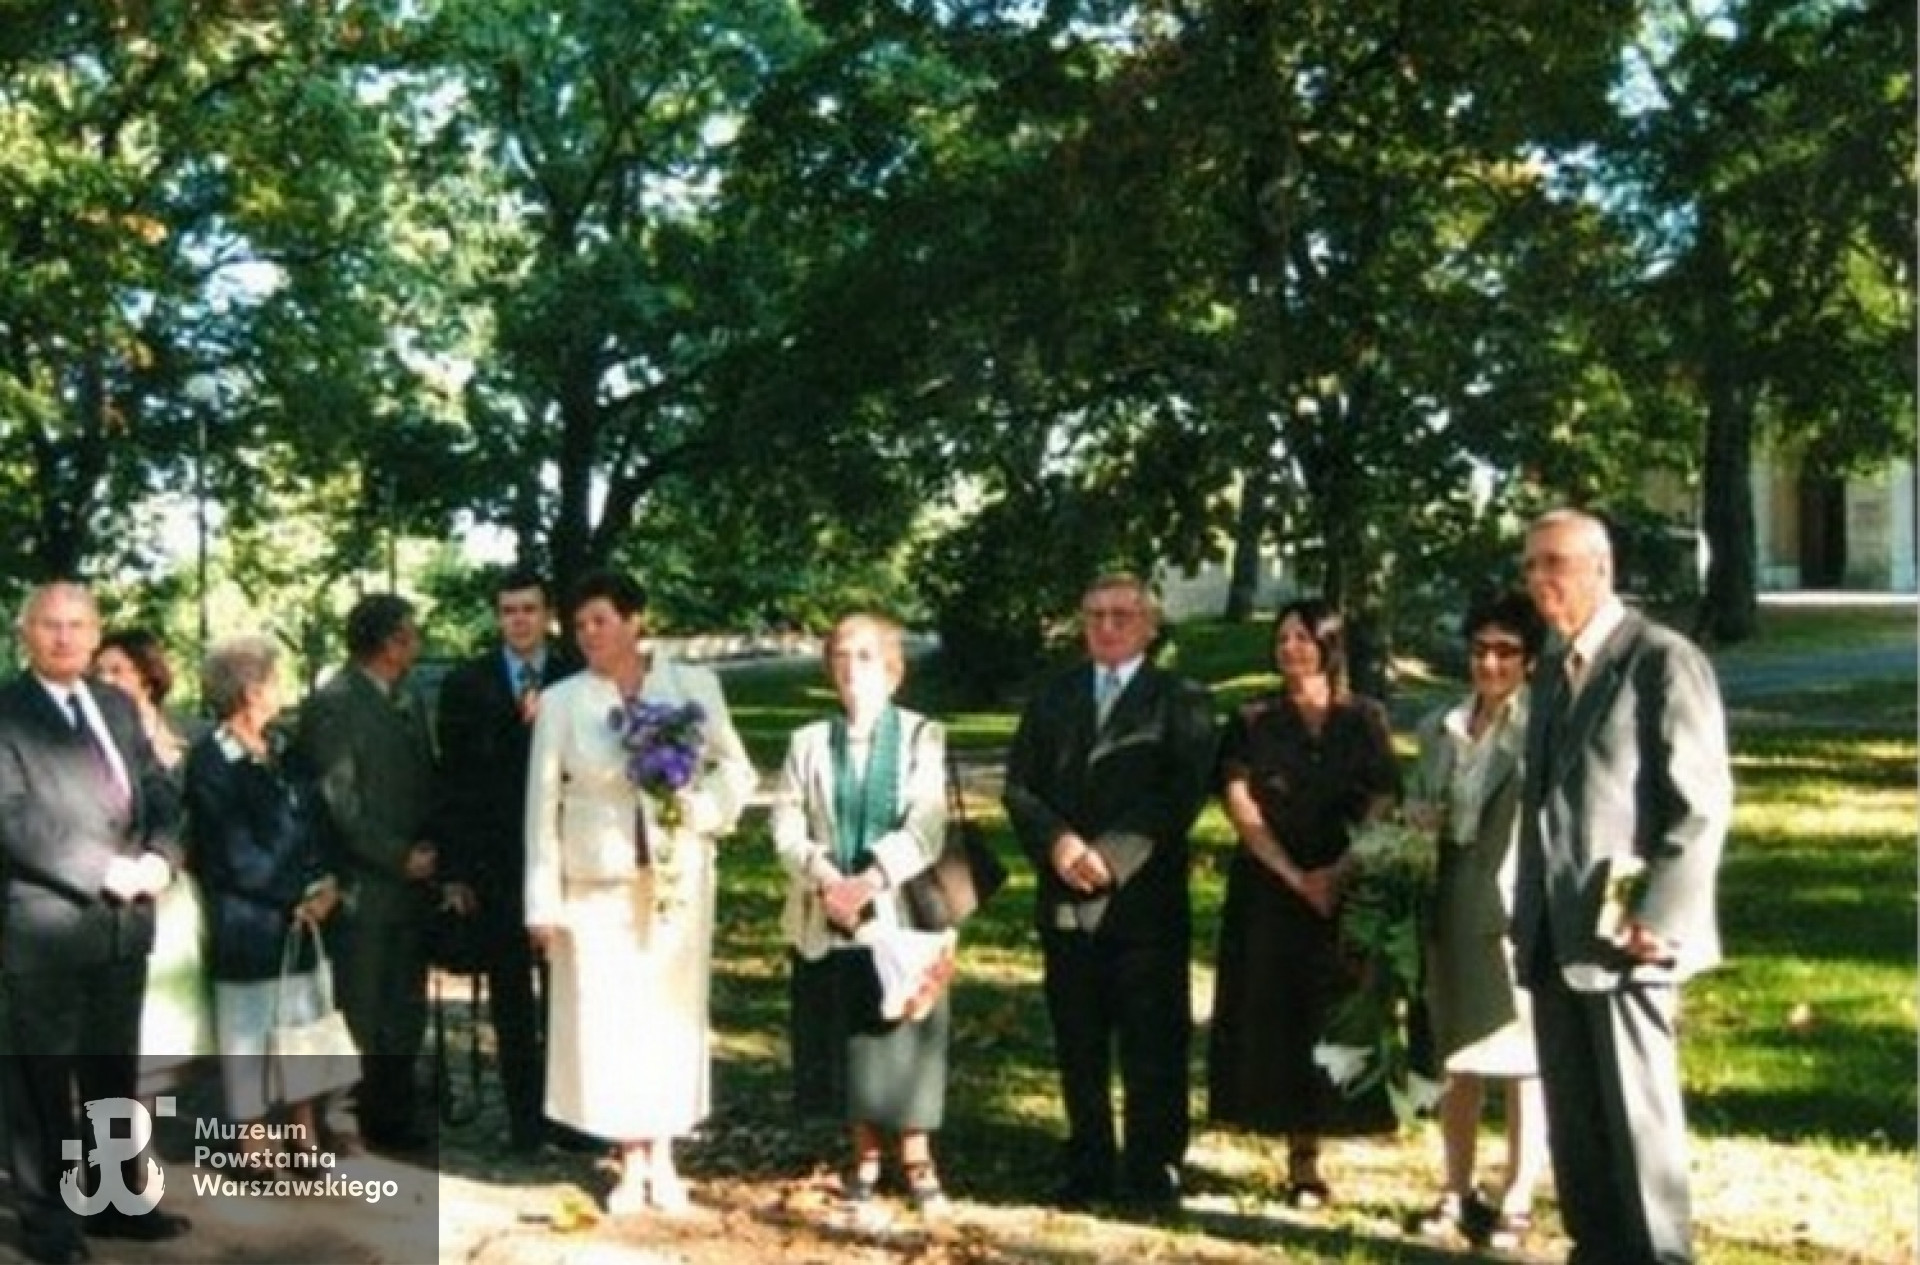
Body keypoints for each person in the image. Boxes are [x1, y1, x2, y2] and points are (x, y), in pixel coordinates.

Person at [1514, 508, 1731, 1265]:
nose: (1538, 580)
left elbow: (1701, 803)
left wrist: (1660, 914)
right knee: (1576, 1123)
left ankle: (1658, 1254)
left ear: (1601, 568)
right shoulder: (1550, 668)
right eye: (1530, 565)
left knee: (1637, 1117)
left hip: (1631, 936)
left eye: (1553, 563)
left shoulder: (1663, 660)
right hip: (1555, 932)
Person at [524, 570, 756, 1215]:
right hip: (595, 883)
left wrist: (701, 809)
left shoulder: (692, 686)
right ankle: (628, 1158)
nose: (588, 634)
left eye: (600, 620)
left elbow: (736, 770)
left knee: (669, 1014)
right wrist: (541, 902)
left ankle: (664, 1154)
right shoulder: (563, 701)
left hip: (676, 878)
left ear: (634, 621)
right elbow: (541, 806)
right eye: (579, 625)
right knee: (610, 1018)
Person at [1002, 574, 1216, 1213]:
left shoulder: (1181, 699)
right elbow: (1019, 786)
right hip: (1066, 893)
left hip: (1145, 899)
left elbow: (1182, 790)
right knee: (1079, 1039)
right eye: (1095, 614)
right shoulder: (1053, 695)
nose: (1107, 626)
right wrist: (1059, 844)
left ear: (1150, 625)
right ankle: (1088, 1163)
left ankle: (1154, 1169)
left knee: (1154, 1042)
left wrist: (1113, 855)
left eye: (1122, 615)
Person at [0, 582, 191, 1261]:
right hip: (47, 925)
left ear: (95, 632)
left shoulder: (115, 705)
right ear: (25, 633)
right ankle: (50, 1222)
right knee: (42, 1084)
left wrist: (162, 858)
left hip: (123, 925)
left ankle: (113, 1200)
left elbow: (161, 793)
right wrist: (103, 868)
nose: (64, 636)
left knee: (113, 1072)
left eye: (78, 624)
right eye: (49, 624)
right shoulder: (7, 711)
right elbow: (13, 818)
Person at [1206, 598, 1401, 1209]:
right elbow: (1239, 801)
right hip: (1270, 887)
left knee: (1332, 1010)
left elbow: (1384, 800)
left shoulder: (1364, 718)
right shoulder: (1253, 718)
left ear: (1329, 645)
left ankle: (1324, 1140)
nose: (1290, 647)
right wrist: (1293, 876)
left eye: (1303, 637)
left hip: (1343, 884)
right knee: (1277, 1014)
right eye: (1283, 637)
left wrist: (1340, 872)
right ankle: (1294, 1152)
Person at [770, 613, 956, 1213]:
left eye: (867, 655)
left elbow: (926, 823)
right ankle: (866, 1156)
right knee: (849, 1030)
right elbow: (786, 825)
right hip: (826, 908)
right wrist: (829, 880)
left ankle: (918, 1159)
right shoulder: (807, 742)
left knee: (905, 1026)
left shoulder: (922, 736)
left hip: (900, 909)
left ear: (893, 670)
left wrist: (870, 881)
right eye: (842, 655)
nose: (853, 667)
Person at [1406, 591, 1549, 1250]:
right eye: (1480, 649)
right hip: (1449, 895)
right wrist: (1417, 825)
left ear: (1530, 659)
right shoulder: (1440, 726)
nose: (1490, 663)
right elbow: (1418, 804)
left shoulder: (1543, 726)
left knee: (1523, 1054)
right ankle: (1456, 1187)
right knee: (1455, 1054)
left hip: (1515, 899)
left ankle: (1518, 1194)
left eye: (1506, 651)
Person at [433, 567, 579, 1153]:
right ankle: (525, 1123)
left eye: (529, 609)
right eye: (509, 611)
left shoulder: (575, 675)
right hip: (495, 863)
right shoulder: (466, 684)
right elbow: (453, 781)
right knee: (512, 996)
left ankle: (571, 1116)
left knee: (568, 993)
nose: (519, 621)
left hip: (567, 858)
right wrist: (455, 872)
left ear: (548, 616)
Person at [185, 635, 347, 1152]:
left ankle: (304, 1132)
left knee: (303, 1022)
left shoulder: (285, 749)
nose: (282, 690)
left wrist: (326, 883)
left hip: (304, 916)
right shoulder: (211, 760)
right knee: (248, 1031)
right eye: (275, 679)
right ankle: (250, 1143)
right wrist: (293, 895)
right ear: (250, 689)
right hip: (247, 918)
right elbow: (229, 852)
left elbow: (316, 820)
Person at [296, 592, 438, 1153]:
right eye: (410, 634)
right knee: (359, 1004)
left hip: (412, 885)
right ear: (388, 643)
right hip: (361, 884)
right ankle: (342, 1118)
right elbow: (339, 801)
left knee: (404, 1005)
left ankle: (394, 1112)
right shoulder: (335, 704)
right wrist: (396, 855)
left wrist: (430, 851)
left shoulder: (409, 698)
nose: (417, 644)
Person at [95, 628, 217, 1090]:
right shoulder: (91, 737)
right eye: (99, 672)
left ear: (147, 676)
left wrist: (174, 859)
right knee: (129, 1027)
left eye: (117, 670)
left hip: (181, 893)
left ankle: (155, 1121)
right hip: (121, 891)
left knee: (177, 1026)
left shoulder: (193, 735)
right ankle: (124, 1130)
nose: (105, 680)